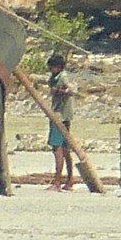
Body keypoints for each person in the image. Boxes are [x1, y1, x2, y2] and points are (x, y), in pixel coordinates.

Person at [46, 52, 77, 191]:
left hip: (59, 116)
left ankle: (57, 182)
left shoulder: (62, 77)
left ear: (58, 67)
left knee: (57, 148)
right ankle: (69, 181)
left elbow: (71, 90)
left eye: (52, 67)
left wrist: (61, 91)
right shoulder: (55, 77)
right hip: (64, 116)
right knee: (65, 149)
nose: (50, 70)